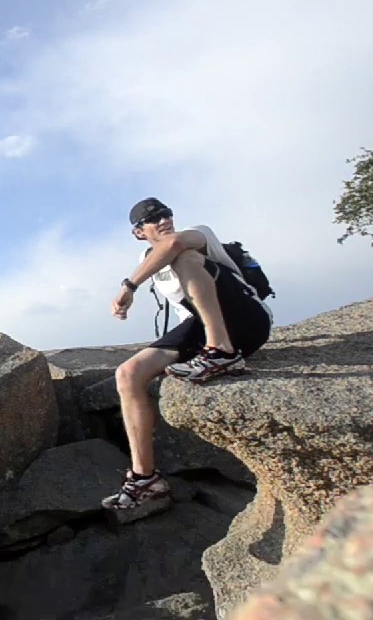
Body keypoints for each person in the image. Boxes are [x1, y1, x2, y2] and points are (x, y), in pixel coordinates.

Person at [101, 197, 272, 514]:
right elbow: (185, 311)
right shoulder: (147, 259)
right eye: (152, 219)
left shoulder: (198, 233)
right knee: (127, 374)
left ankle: (222, 351)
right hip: (199, 327)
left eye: (166, 213)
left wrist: (128, 287)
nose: (163, 219)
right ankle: (144, 480)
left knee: (184, 257)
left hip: (248, 321)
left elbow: (176, 243)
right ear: (138, 232)